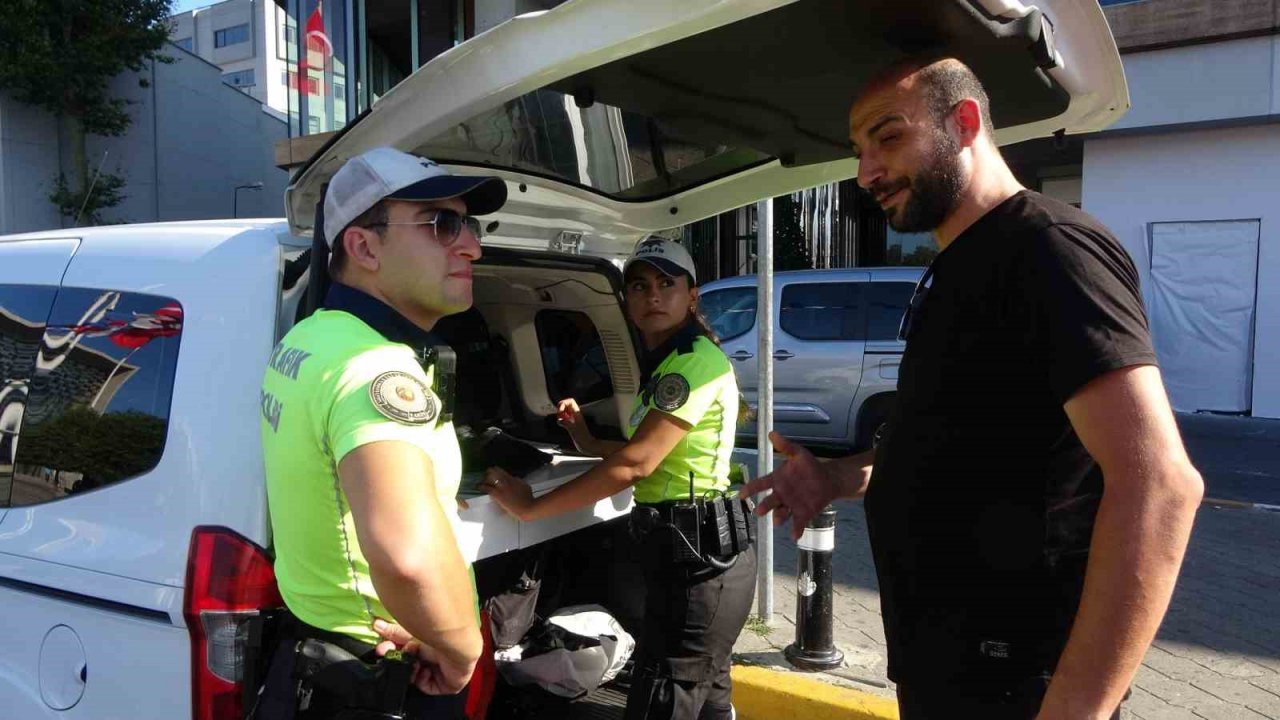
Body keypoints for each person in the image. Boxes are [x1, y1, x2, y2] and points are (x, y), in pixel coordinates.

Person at [743, 57, 1204, 720]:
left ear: (965, 123)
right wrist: (840, 477)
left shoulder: (1050, 249)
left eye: (889, 137)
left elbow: (1159, 485)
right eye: (858, 150)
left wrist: (1077, 709)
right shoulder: (957, 269)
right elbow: (962, 447)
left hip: (1019, 687)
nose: (866, 171)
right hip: (944, 671)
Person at [257, 146, 507, 718]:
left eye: (468, 224)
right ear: (363, 246)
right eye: (443, 225)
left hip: (317, 663)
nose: (472, 244)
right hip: (383, 672)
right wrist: (462, 647)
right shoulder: (375, 368)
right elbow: (405, 558)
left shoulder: (310, 339)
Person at [482, 238, 757, 720]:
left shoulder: (692, 362)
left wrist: (529, 507)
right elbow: (648, 451)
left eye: (666, 284)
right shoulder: (669, 362)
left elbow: (637, 464)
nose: (653, 295)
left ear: (691, 296)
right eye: (640, 286)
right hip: (698, 554)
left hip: (699, 565)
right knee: (707, 696)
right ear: (627, 301)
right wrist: (588, 441)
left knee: (664, 699)